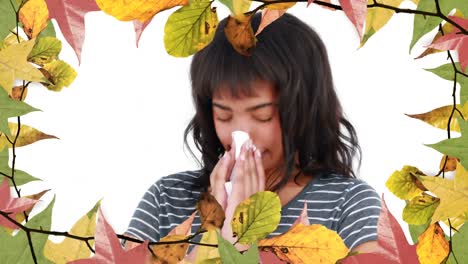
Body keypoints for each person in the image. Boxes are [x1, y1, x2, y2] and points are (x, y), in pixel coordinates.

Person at [123, 12, 381, 257]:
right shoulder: (168, 199)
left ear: (304, 109)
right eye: (223, 115)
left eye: (262, 115)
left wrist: (244, 239)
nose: (241, 134)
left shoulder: (348, 203)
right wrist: (217, 233)